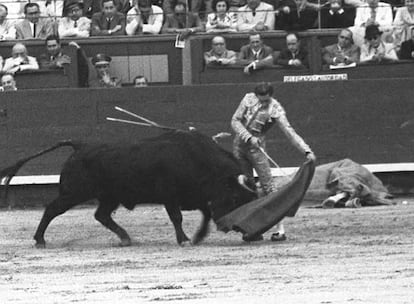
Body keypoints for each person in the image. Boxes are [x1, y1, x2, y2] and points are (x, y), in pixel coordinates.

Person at [231, 82, 316, 242]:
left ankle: (280, 230)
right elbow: (235, 121)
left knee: (269, 187)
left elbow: (289, 132)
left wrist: (306, 150)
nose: (262, 103)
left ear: (270, 96)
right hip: (239, 147)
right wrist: (249, 137)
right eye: (260, 99)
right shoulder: (248, 98)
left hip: (257, 150)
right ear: (256, 95)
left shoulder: (275, 108)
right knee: (246, 188)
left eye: (266, 100)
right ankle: (251, 229)